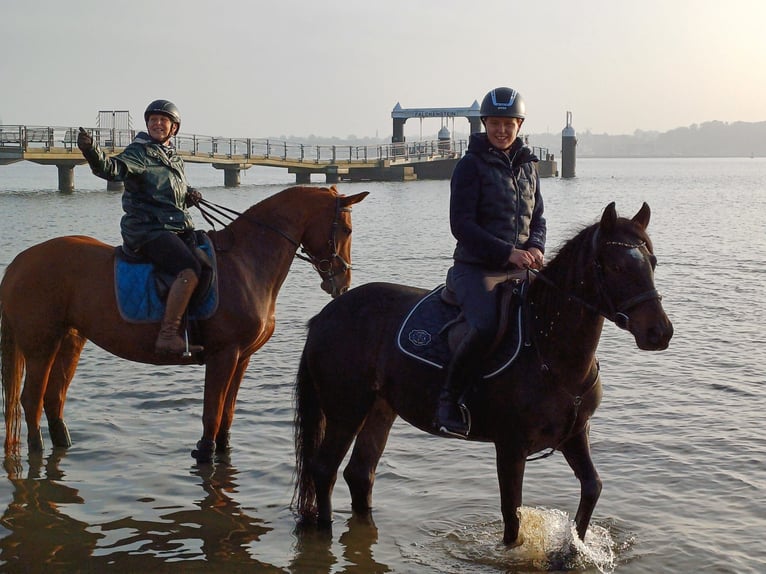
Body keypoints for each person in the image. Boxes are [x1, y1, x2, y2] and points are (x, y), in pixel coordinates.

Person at [437, 87, 547, 437]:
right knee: (484, 325)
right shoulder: (470, 166)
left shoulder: (530, 167)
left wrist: (536, 247)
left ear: (519, 125)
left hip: (520, 268)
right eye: (495, 123)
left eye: (508, 124)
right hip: (476, 269)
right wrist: (507, 252)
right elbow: (462, 226)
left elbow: (538, 218)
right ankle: (449, 401)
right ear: (484, 124)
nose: (502, 130)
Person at [77, 99, 205, 356]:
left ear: (173, 128)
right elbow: (113, 170)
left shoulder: (173, 158)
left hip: (173, 226)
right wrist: (92, 152)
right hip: (148, 230)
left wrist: (187, 195)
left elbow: (164, 195)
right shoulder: (140, 152)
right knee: (189, 269)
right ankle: (167, 336)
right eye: (153, 120)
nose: (157, 124)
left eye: (163, 120)